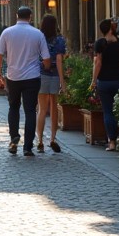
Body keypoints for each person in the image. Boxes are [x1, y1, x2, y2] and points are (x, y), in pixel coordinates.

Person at [0, 6, 50, 157]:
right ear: (30, 17)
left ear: (16, 15)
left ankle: (14, 138)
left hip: (13, 77)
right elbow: (46, 59)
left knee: (13, 107)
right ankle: (27, 147)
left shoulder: (7, 32)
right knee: (30, 110)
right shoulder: (38, 34)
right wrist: (44, 66)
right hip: (32, 77)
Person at [90, 18, 119, 152]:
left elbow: (98, 63)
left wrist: (94, 80)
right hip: (117, 80)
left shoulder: (100, 43)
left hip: (104, 82)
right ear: (112, 29)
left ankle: (111, 142)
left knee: (107, 111)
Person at [35, 13, 66, 153]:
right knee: (54, 108)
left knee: (41, 109)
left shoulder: (38, 38)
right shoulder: (59, 40)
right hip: (54, 74)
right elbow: (59, 61)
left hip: (41, 74)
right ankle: (53, 139)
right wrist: (62, 80)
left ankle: (40, 141)